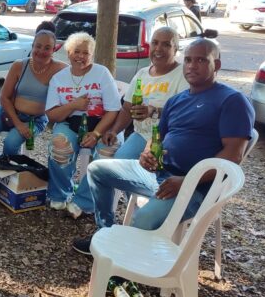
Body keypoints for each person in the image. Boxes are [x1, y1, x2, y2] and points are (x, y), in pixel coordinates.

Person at [72, 39, 255, 255]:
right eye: (188, 60)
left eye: (201, 60)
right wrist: (147, 153)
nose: (192, 66)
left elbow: (233, 156)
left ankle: (127, 262)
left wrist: (187, 181)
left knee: (143, 219)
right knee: (97, 169)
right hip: (160, 175)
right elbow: (157, 136)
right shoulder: (176, 101)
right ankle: (105, 233)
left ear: (217, 65)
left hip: (194, 188)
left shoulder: (232, 101)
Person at [65, 27, 189, 219]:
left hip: (168, 138)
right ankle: (91, 206)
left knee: (141, 172)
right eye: (155, 43)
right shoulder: (142, 74)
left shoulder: (182, 75)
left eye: (166, 44)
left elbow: (185, 112)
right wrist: (114, 131)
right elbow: (126, 109)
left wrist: (153, 111)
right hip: (141, 135)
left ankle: (144, 215)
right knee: (116, 164)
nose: (158, 48)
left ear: (176, 48)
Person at [45, 32, 120, 213]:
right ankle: (60, 194)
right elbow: (52, 115)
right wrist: (74, 105)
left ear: (91, 55)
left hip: (102, 123)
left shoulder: (101, 73)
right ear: (68, 53)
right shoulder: (58, 78)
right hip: (70, 122)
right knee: (59, 144)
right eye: (76, 51)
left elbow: (113, 110)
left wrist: (96, 134)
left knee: (108, 152)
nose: (81, 56)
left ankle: (84, 200)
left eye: (86, 53)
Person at [0, 30, 66, 158]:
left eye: (47, 48)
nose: (41, 51)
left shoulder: (60, 69)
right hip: (8, 113)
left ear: (53, 50)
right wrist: (18, 123)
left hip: (34, 120)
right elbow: (4, 97)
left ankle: (5, 166)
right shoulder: (19, 65)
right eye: (38, 46)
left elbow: (78, 73)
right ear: (32, 46)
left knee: (10, 144)